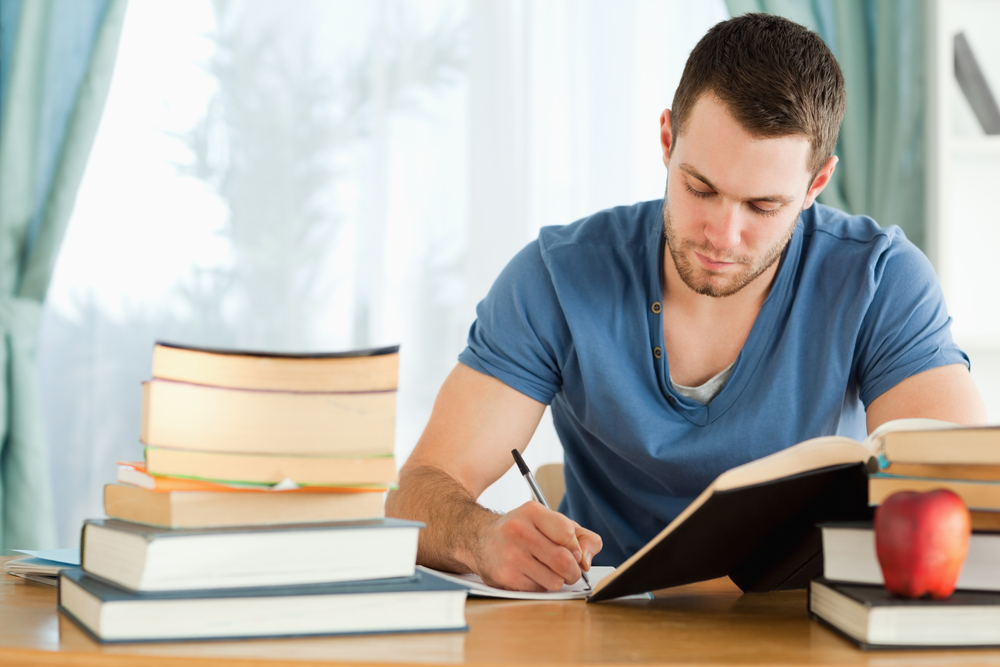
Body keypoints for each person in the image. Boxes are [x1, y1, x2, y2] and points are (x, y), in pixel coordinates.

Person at [385, 13, 987, 593]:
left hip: (806, 624)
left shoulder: (880, 279)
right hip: (609, 628)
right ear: (668, 140)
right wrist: (483, 536)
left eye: (763, 206)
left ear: (816, 185)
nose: (722, 236)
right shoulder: (557, 279)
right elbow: (416, 492)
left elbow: (959, 494)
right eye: (701, 188)